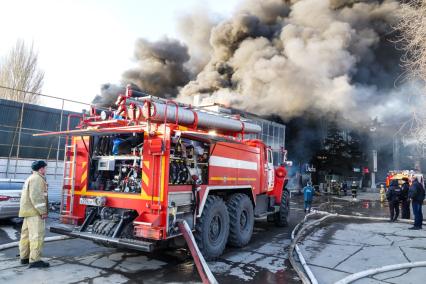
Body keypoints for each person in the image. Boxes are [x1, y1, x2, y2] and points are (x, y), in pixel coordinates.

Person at [18, 160, 50, 268]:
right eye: (45, 168)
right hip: (35, 213)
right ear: (41, 169)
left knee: (26, 236)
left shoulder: (30, 178)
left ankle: (24, 258)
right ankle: (35, 260)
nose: (46, 170)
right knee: (37, 236)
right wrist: (43, 212)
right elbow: (37, 197)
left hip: (27, 211)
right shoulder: (37, 179)